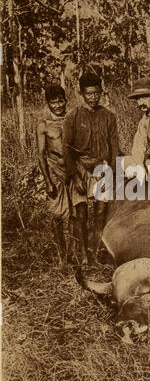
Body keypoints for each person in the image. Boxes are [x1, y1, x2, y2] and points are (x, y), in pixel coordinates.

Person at [62, 71, 120, 265]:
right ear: (81, 94)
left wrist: (112, 171)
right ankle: (84, 254)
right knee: (81, 213)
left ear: (101, 92)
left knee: (101, 212)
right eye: (89, 93)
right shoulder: (73, 116)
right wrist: (74, 175)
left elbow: (114, 148)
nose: (93, 97)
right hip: (80, 167)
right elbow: (66, 149)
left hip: (102, 168)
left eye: (96, 93)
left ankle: (96, 251)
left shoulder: (109, 116)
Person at [36, 84, 72, 263]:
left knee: (75, 214)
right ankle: (62, 255)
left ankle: (74, 253)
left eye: (60, 101)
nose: (58, 105)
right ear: (48, 103)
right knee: (57, 215)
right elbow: (41, 154)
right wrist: (48, 180)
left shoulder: (72, 118)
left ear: (65, 100)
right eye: (53, 102)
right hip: (54, 171)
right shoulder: (43, 125)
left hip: (73, 171)